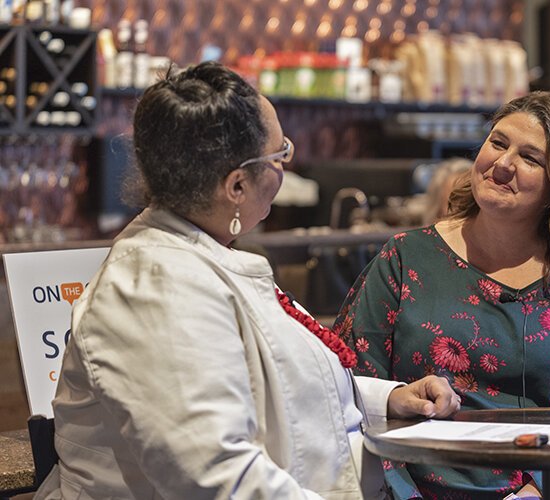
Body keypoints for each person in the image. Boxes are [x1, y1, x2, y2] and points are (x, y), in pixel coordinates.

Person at [34, 62, 461, 500]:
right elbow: (216, 477)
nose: (285, 167)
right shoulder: (152, 287)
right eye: (280, 156)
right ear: (237, 185)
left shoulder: (202, 250)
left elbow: (274, 382)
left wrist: (387, 400)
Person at [333, 91, 550, 499]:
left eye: (531, 158)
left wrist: (542, 490)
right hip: (414, 488)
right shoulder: (403, 259)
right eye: (498, 142)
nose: (503, 165)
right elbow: (346, 392)